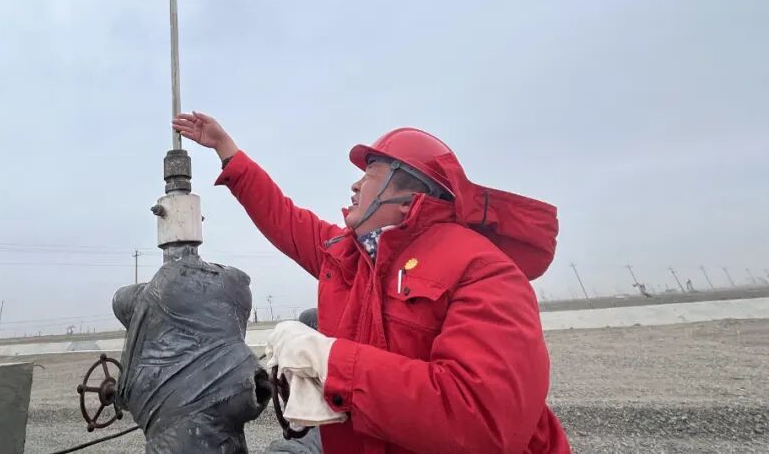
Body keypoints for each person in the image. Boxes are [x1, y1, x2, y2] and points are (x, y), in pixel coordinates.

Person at [173, 112, 571, 454]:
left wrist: (329, 361)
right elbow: (283, 217)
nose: (355, 186)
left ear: (410, 194)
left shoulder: (483, 268)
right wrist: (226, 148)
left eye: (370, 174)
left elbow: (485, 420)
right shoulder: (350, 255)